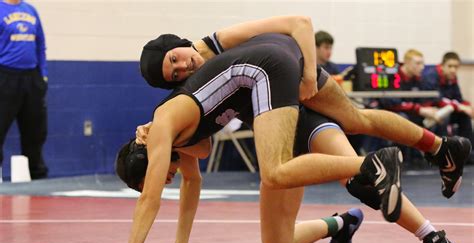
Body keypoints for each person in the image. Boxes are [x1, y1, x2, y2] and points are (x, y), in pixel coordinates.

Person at [81, 34, 407, 243]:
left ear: (148, 161)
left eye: (158, 176)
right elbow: (192, 183)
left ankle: (373, 165)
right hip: (266, 87)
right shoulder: (177, 136)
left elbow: (149, 200)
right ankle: (342, 222)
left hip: (265, 72)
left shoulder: (164, 126)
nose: (166, 179)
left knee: (277, 170)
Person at [139, 16, 472, 199]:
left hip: (289, 75)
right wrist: (151, 131)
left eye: (176, 59)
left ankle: (377, 170)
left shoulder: (217, 41)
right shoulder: (193, 85)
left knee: (292, 161)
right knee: (355, 121)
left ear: (179, 43)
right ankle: (441, 147)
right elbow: (196, 138)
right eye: (176, 74)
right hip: (278, 96)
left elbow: (299, 24)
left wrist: (309, 73)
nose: (184, 67)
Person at [0, 0, 48, 179]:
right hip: (5, 75)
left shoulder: (30, 10)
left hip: (32, 77)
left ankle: (37, 174)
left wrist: (43, 75)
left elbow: (41, 44)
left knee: (35, 129)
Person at [423, 52, 473, 142]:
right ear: (442, 65)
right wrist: (460, 106)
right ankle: (443, 151)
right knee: (444, 117)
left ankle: (468, 151)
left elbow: (458, 99)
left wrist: (468, 107)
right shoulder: (431, 76)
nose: (453, 70)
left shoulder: (452, 77)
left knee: (465, 116)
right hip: (431, 111)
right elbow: (438, 100)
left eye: (456, 67)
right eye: (450, 66)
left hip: (447, 110)